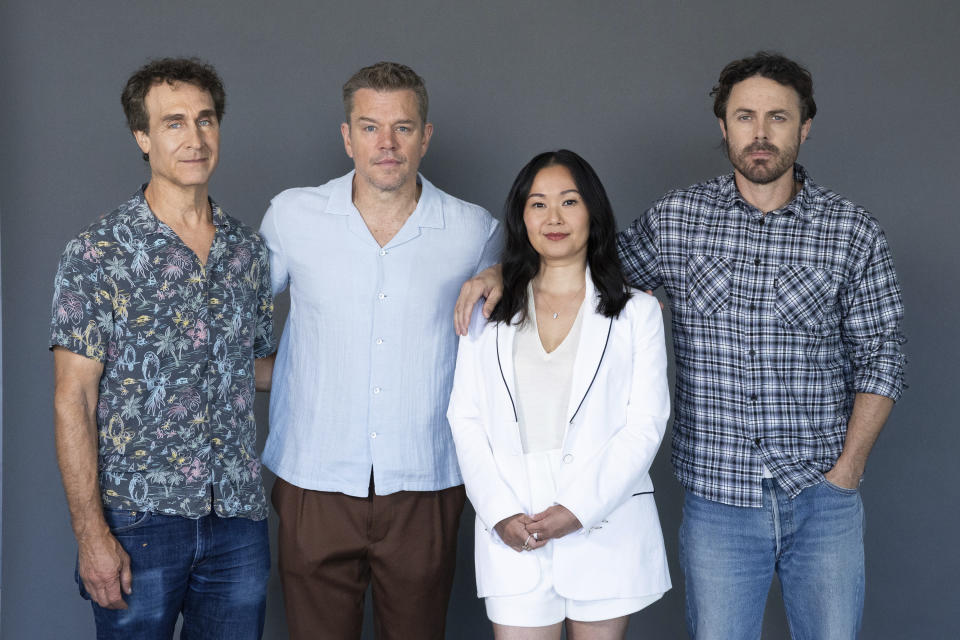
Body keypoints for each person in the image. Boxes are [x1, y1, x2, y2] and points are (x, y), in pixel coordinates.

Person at [455, 52, 906, 639]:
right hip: (719, 498)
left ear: (806, 125)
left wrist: (847, 471)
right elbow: (583, 264)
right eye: (745, 116)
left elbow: (884, 356)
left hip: (823, 495)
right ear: (724, 127)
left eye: (778, 117)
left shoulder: (852, 231)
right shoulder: (679, 219)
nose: (761, 133)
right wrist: (499, 274)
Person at [257, 61, 502, 639]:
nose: (386, 144)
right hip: (312, 476)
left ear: (426, 135)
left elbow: (506, 354)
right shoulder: (293, 216)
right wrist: (284, 372)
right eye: (369, 127)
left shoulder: (475, 231)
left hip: (426, 478)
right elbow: (225, 321)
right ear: (347, 137)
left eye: (403, 128)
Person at [50, 58, 275, 639]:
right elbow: (73, 397)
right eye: (174, 123)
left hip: (237, 519)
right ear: (143, 138)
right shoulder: (97, 253)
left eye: (205, 120)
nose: (195, 138)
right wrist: (91, 534)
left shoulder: (247, 251)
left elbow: (253, 368)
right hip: (137, 518)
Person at [448, 150, 672, 639]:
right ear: (520, 216)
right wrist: (498, 511)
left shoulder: (637, 313)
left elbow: (646, 423)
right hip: (512, 525)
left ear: (593, 211)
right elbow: (464, 418)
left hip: (605, 523)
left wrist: (579, 510)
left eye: (569, 202)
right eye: (538, 204)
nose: (553, 218)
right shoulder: (488, 310)